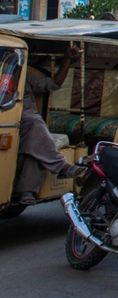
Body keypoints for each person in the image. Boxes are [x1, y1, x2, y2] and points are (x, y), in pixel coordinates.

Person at [13, 46, 81, 205]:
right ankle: (62, 166)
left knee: (34, 144)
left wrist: (67, 60)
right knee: (34, 123)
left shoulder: (23, 74)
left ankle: (26, 191)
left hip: (26, 125)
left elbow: (54, 83)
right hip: (14, 118)